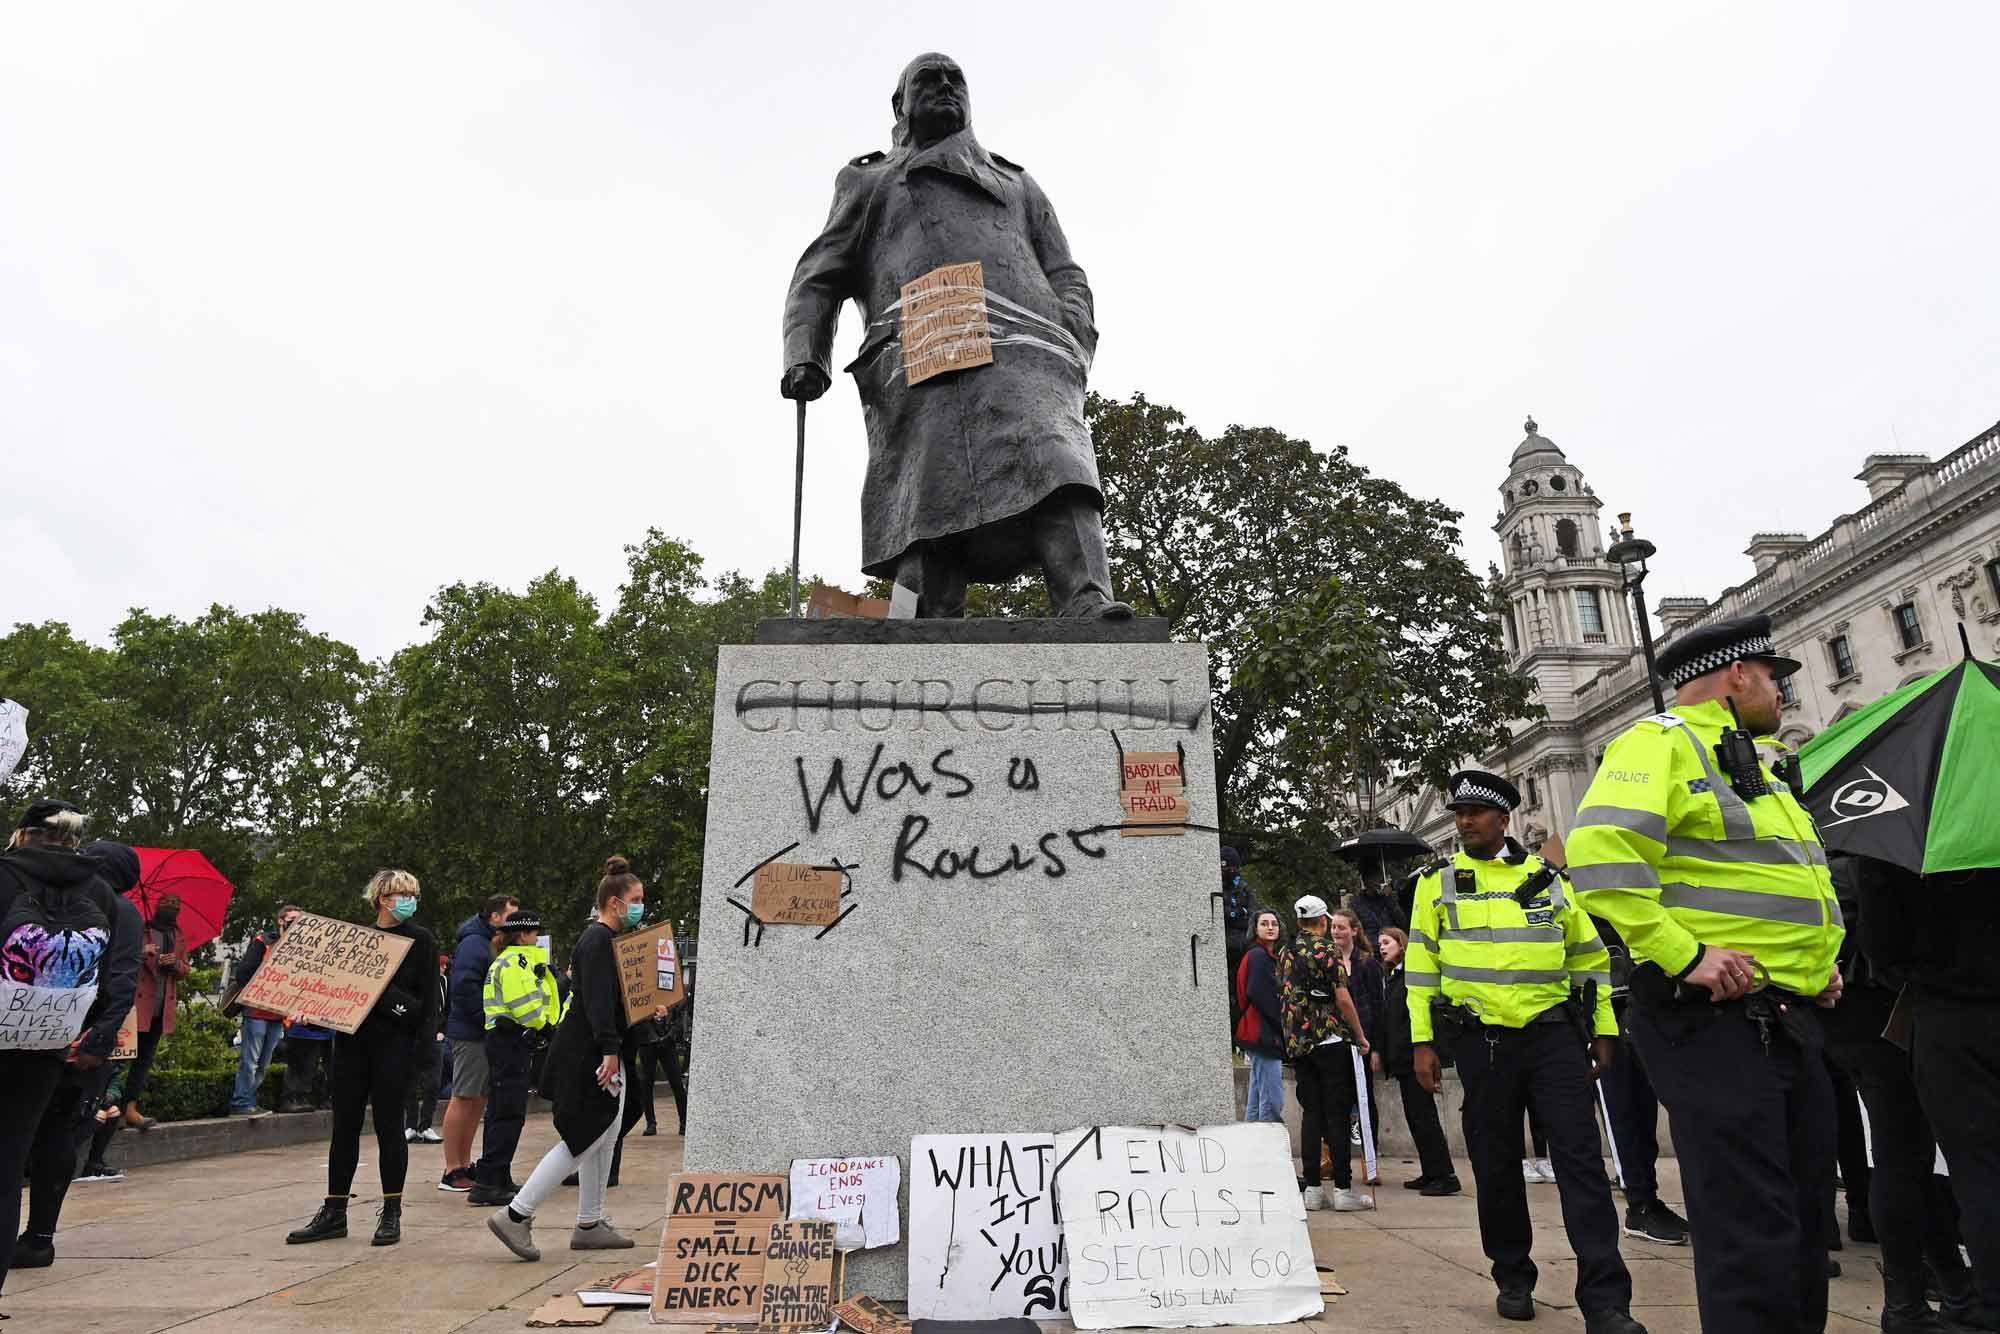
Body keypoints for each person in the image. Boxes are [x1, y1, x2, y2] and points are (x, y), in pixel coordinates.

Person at [1567, 614, 1843, 1334]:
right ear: (1737, 675)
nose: (1783, 692)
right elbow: (1599, 859)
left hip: (1789, 1016)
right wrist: (1685, 956)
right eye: (1774, 678)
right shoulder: (1660, 742)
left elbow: (1777, 886)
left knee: (1808, 1223)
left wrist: (1815, 967)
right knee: (1752, 1233)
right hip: (1714, 1023)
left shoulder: (1764, 764)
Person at [780, 53, 1130, 621]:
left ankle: (1086, 598)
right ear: (900, 104)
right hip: (925, 338)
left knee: (1056, 455)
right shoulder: (871, 181)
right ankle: (923, 616)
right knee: (928, 485)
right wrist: (806, 353)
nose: (945, 87)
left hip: (1027, 346)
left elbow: (1064, 269)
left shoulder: (1016, 182)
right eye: (928, 80)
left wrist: (1071, 331)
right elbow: (819, 275)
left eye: (955, 79)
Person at [1406, 771, 1641, 1332]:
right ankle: (1512, 1274)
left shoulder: (1549, 880)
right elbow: (1421, 971)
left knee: (1582, 1163)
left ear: (1503, 820)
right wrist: (1422, 1042)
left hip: (1553, 1038)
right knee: (1495, 1165)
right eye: (1458, 814)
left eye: (1475, 814)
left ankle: (1606, 1302)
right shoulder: (1435, 884)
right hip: (1482, 1042)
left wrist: (1603, 1029)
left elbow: (1589, 959)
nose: (1463, 822)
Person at [488, 856, 671, 1261]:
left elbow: (615, 1001)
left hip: (601, 1051)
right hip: (591, 1054)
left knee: (602, 1134)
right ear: (614, 903)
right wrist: (608, 1050)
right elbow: (598, 1003)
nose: (642, 906)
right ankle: (516, 1215)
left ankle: (590, 1221)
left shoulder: (606, 941)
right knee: (583, 1136)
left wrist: (645, 1011)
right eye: (636, 899)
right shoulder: (598, 941)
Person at [1821, 855, 1975, 1332]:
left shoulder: (1839, 844)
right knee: (1903, 1151)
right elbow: (1882, 944)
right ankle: (1907, 1300)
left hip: (1855, 1012)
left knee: (1906, 1150)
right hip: (1877, 1011)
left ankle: (1946, 1285)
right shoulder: (1872, 853)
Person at [1851, 855, 2000, 1330]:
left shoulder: (1908, 813)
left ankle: (1969, 1300)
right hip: (1942, 1006)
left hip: (1946, 1008)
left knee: (1972, 1167)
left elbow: (1881, 941)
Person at [0, 801, 139, 1307]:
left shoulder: (7, 877)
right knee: (15, 1163)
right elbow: (119, 983)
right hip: (55, 1047)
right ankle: (35, 1238)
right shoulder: (107, 899)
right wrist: (97, 1042)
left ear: (23, 834)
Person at [285, 869, 440, 1248]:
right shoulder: (357, 940)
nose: (408, 899)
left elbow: (425, 1007)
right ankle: (334, 1211)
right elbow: (335, 992)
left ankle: (391, 1212)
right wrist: (313, 1007)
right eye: (401, 893)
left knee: (390, 1127)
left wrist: (383, 992)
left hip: (395, 1047)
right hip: (352, 1045)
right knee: (345, 1129)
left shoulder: (421, 941)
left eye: (412, 893)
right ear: (381, 898)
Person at [1586, 918, 1689, 1245]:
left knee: (1662, 1108)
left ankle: (1651, 1201)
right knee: (1624, 1108)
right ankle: (1640, 1203)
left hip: (1651, 996)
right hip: (1609, 1004)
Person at [1279, 894, 1373, 1213]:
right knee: (1336, 1113)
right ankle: (1344, 1188)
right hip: (1330, 1038)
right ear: (1323, 921)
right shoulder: (1327, 949)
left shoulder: (1287, 951)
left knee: (1312, 1114)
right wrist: (1360, 1035)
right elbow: (1343, 998)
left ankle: (1313, 1190)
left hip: (1300, 1041)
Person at [471, 910, 561, 1206]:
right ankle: (489, 1182)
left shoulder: (511, 960)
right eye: (535, 933)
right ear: (523, 935)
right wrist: (545, 1026)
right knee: (508, 1113)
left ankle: (497, 1176)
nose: (538, 939)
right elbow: (523, 1003)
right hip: (511, 1040)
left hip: (506, 1040)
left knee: (501, 1111)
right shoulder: (517, 961)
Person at [440, 893, 518, 1193]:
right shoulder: (474, 943)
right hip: (471, 1033)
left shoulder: (488, 942)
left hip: (481, 1031)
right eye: (511, 915)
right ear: (495, 917)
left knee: (477, 1099)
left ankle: (464, 1161)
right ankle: (452, 1167)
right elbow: (466, 987)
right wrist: (486, 1019)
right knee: (464, 1097)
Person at [1377, 927, 1459, 1196]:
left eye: (1387, 942)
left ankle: (1445, 1174)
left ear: (1402, 944)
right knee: (1416, 1117)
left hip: (1413, 1055)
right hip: (1401, 1057)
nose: (1382, 947)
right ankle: (1431, 1170)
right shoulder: (1392, 978)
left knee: (1425, 1117)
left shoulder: (1411, 976)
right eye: (1379, 943)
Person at [120, 891, 191, 1130]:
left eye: (175, 903)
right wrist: (142, 953)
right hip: (137, 1005)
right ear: (156, 904)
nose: (171, 906)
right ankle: (107, 1107)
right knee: (121, 1058)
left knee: (144, 1060)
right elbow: (121, 958)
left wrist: (176, 965)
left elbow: (185, 969)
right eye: (166, 902)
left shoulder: (178, 935)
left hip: (162, 1008)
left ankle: (130, 1107)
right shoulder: (141, 930)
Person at [228, 905, 301, 1118]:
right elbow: (243, 973)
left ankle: (249, 1100)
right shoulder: (262, 942)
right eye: (292, 919)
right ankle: (241, 1102)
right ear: (281, 920)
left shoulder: (298, 949)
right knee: (250, 1061)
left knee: (263, 1063)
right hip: (257, 1012)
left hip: (278, 1015)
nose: (296, 923)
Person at [1330, 907, 1385, 1174]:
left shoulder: (1367, 963)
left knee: (1365, 1101)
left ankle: (1369, 1159)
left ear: (1354, 930)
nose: (1336, 932)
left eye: (1341, 927)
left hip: (1363, 1043)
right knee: (1336, 1101)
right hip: (1336, 1041)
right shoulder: (1328, 961)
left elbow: (1377, 1007)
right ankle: (1336, 1160)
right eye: (1333, 927)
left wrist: (1375, 1048)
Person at [1233, 909, 1286, 1122]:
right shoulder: (1259, 956)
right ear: (1255, 928)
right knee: (1272, 1100)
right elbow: (1260, 994)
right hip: (1262, 1033)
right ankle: (1267, 1147)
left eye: (1274, 923)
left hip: (1256, 1034)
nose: (1270, 927)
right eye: (1264, 923)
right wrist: (1282, 1024)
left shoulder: (1261, 955)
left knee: (1257, 1098)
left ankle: (1251, 1147)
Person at [405, 952, 449, 1145]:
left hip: (435, 1037)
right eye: (441, 965)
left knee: (433, 1083)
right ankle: (411, 1125)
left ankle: (425, 1125)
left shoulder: (444, 983)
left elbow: (447, 1008)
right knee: (411, 1084)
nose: (444, 968)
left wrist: (442, 1030)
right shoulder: (415, 981)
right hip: (415, 1036)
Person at [278, 1020, 333, 1111]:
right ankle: (289, 1099)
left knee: (311, 1066)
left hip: (324, 1031)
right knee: (297, 1065)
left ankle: (301, 1098)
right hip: (301, 1029)